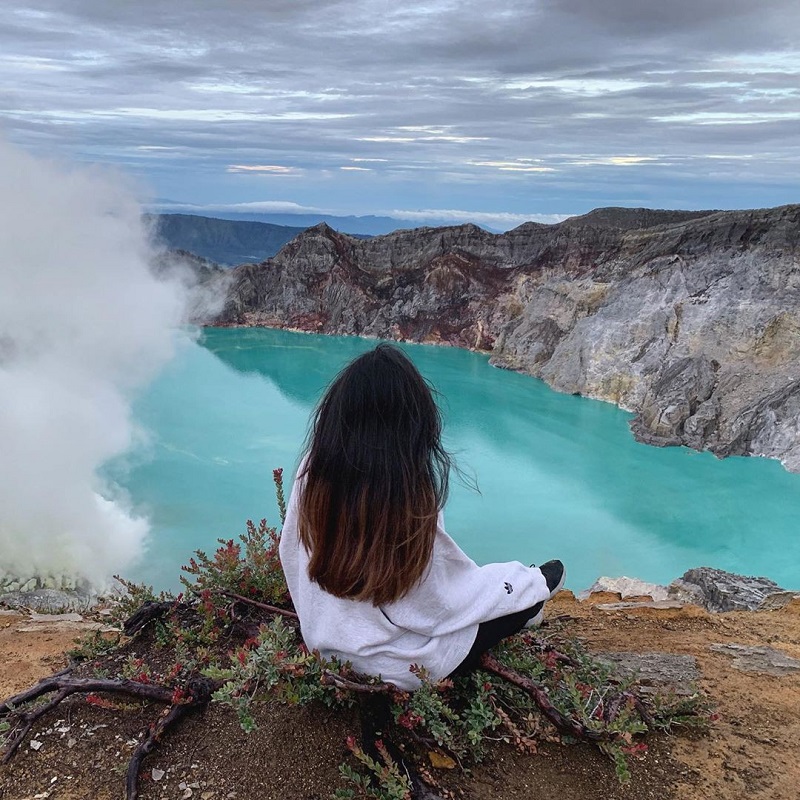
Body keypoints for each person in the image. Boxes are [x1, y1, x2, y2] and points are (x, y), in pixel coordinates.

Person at [279, 343, 565, 691]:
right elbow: (438, 604)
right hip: (398, 669)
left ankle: (526, 590)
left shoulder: (314, 470)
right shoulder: (403, 491)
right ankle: (534, 593)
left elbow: (289, 553)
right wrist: (523, 582)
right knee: (510, 604)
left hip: (324, 648)